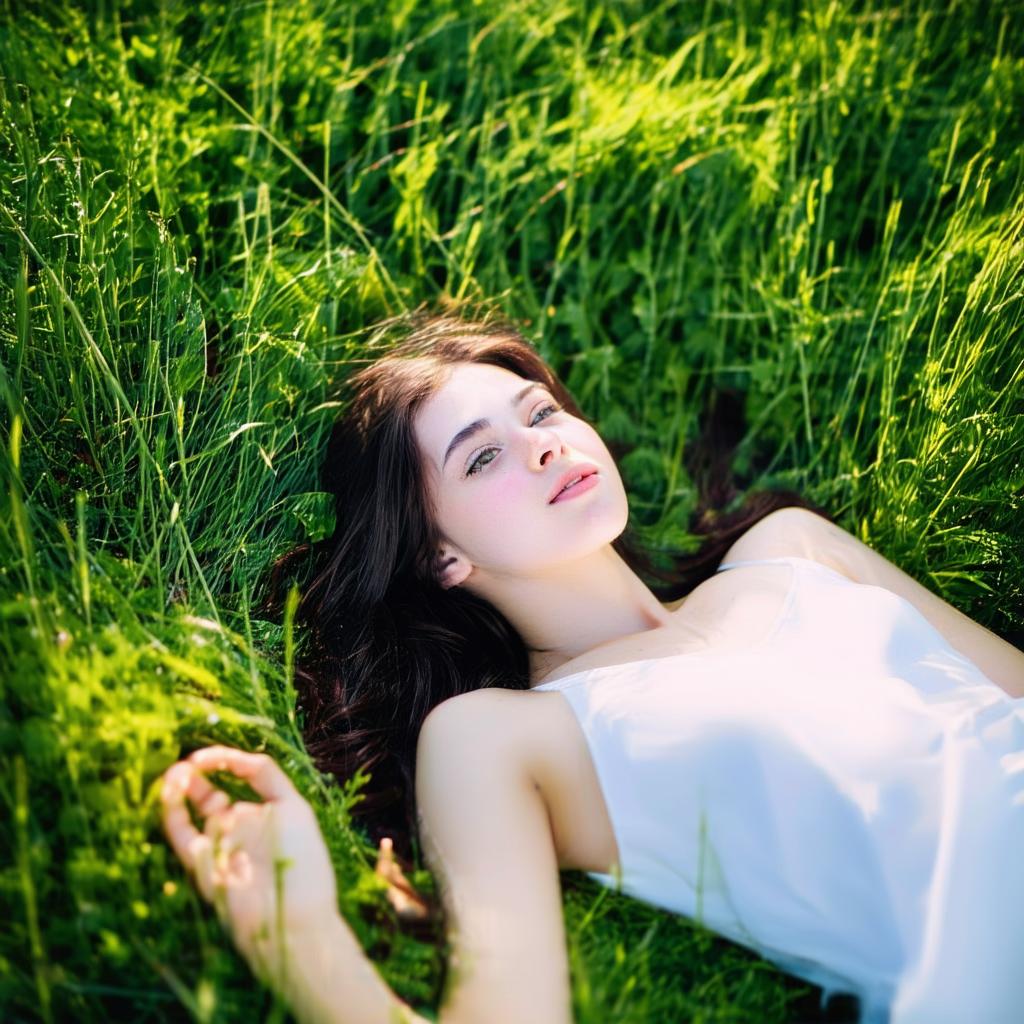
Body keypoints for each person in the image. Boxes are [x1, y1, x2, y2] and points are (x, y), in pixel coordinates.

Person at [160, 312, 1024, 1024]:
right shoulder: (500, 738)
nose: (540, 445)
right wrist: (302, 938)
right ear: (440, 557)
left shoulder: (791, 547)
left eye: (538, 413)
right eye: (482, 456)